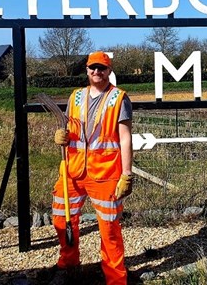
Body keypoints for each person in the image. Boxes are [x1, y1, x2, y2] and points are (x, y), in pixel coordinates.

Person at [52, 51, 133, 284]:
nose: (97, 72)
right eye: (92, 68)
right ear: (87, 70)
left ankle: (116, 278)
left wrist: (127, 174)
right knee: (61, 219)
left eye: (102, 68)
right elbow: (69, 129)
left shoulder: (119, 98)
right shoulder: (76, 97)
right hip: (72, 170)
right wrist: (61, 137)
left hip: (106, 173)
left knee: (109, 229)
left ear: (109, 71)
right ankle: (69, 263)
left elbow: (125, 138)